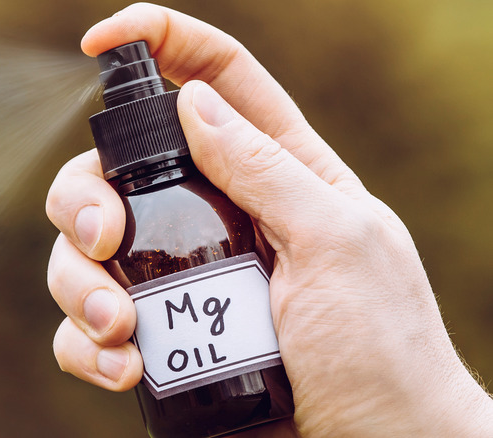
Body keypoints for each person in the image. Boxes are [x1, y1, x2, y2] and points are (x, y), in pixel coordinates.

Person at [45, 3, 493, 436]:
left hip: (322, 407)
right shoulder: (127, 222)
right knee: (100, 263)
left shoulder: (218, 197)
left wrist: (431, 411)